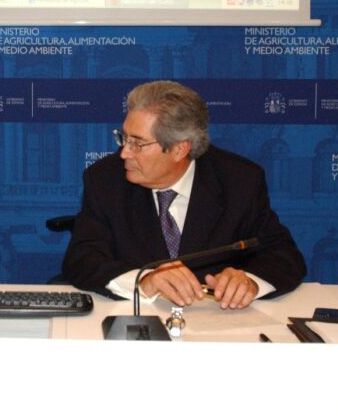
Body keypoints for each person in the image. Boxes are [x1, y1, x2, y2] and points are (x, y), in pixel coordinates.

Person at [62, 80, 305, 309]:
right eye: (124, 138)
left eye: (138, 143)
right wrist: (143, 280)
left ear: (179, 149)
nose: (125, 152)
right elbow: (82, 259)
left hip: (217, 320)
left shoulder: (239, 180)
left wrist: (249, 281)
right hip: (139, 319)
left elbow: (283, 255)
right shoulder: (106, 179)